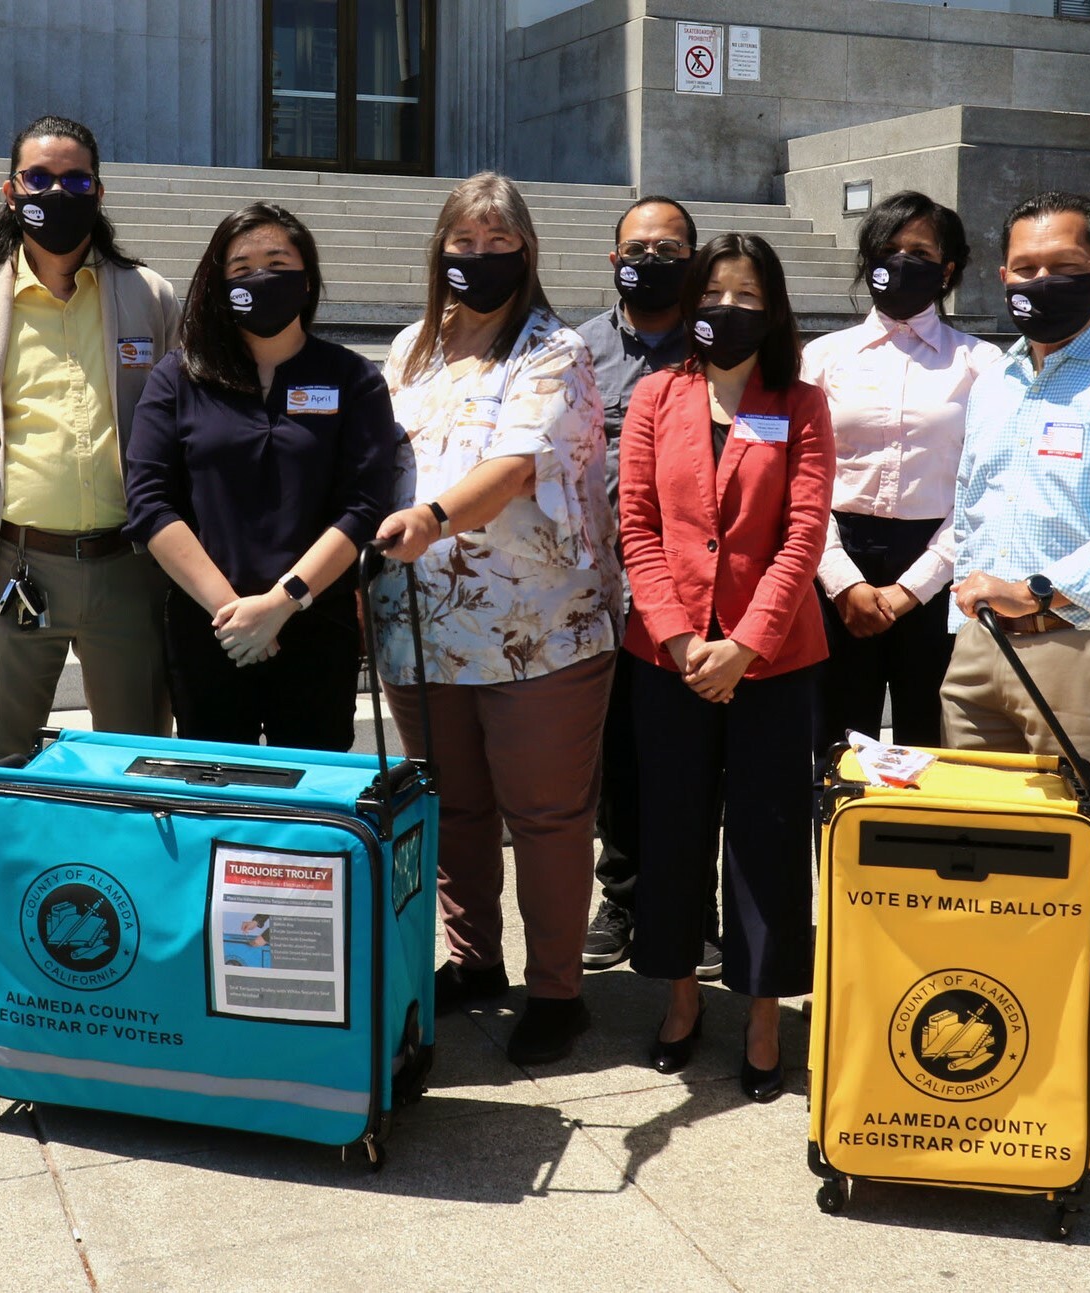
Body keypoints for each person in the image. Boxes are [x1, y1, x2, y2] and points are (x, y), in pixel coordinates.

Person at [371, 172, 621, 1067]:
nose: (479, 259)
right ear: (440, 252)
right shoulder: (410, 349)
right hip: (420, 626)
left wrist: (432, 520)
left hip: (537, 630)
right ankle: (476, 960)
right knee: (460, 810)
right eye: (463, 244)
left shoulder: (554, 351)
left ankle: (559, 989)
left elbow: (519, 466)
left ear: (529, 252)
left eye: (498, 243)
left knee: (547, 815)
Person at [942, 191, 1090, 1069]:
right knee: (975, 849)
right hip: (980, 650)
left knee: (1086, 854)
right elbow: (973, 504)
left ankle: (1077, 1058)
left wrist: (1039, 593)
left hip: (1085, 647)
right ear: (1000, 272)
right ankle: (990, 1034)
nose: (1039, 284)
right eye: (1025, 269)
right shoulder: (998, 376)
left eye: (1064, 270)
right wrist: (972, 603)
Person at [619, 233, 835, 1103]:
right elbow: (636, 525)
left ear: (774, 309)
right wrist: (677, 639)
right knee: (669, 830)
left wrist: (746, 643)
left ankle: (760, 1011)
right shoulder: (655, 396)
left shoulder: (803, 402)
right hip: (665, 659)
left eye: (748, 297)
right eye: (715, 294)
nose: (728, 310)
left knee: (767, 840)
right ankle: (677, 997)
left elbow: (804, 532)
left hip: (774, 662)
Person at [0, 114, 179, 763]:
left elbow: (181, 421)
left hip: (128, 568)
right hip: (14, 569)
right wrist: (5, 514)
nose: (56, 193)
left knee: (139, 766)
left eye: (74, 179)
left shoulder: (148, 297)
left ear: (98, 191)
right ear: (12, 192)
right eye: (39, 178)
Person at [124, 203, 396, 749]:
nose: (260, 277)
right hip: (211, 630)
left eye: (276, 261)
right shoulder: (177, 377)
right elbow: (150, 503)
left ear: (307, 278)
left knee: (310, 810)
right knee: (221, 803)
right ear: (218, 284)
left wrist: (280, 603)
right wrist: (233, 613)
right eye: (241, 268)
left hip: (317, 624)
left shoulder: (353, 379)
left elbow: (364, 506)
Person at [575, 195, 723, 979]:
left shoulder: (715, 350)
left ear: (694, 262)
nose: (652, 260)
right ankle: (625, 896)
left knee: (694, 762)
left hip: (693, 595)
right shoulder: (578, 351)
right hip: (600, 593)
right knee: (619, 761)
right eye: (639, 248)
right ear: (614, 259)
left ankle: (696, 907)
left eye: (671, 250)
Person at [802, 191, 1001, 755]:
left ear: (949, 269)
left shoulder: (982, 364)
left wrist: (911, 591)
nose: (902, 261)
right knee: (836, 743)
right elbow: (802, 482)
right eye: (888, 249)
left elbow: (985, 492)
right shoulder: (821, 358)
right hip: (835, 562)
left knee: (930, 741)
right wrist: (844, 583)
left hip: (938, 568)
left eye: (920, 250)